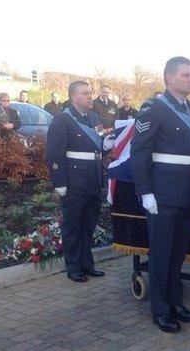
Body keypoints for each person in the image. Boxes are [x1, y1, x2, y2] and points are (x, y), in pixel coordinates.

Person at [130, 56, 190, 333]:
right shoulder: (153, 109)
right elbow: (139, 153)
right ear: (169, 78)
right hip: (163, 193)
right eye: (186, 75)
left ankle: (176, 303)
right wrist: (145, 192)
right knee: (161, 255)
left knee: (178, 254)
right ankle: (160, 310)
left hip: (189, 190)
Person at [46, 80, 106, 284]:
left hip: (93, 179)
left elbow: (98, 145)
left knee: (89, 225)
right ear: (73, 97)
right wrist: (59, 182)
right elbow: (54, 152)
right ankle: (73, 267)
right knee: (73, 226)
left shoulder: (94, 117)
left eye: (91, 92)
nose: (90, 96)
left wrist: (108, 143)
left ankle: (87, 264)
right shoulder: (62, 119)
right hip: (74, 181)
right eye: (85, 93)